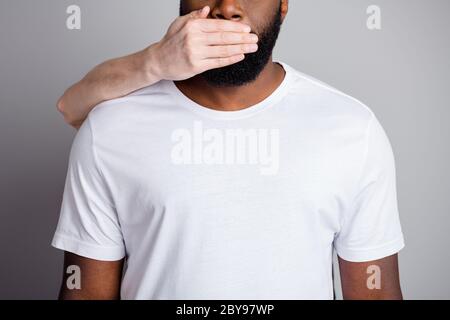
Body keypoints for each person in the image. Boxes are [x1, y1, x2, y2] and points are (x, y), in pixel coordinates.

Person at [52, 0, 405, 300]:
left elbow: (376, 292)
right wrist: (156, 60)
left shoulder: (353, 130)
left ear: (283, 5)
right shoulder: (109, 130)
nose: (228, 8)